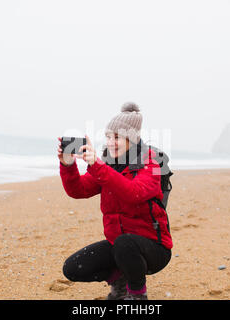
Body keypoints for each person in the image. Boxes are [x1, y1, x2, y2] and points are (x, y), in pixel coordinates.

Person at [57, 102, 172, 300]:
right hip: (120, 246)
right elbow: (78, 190)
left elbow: (134, 193)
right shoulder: (109, 164)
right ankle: (119, 280)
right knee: (73, 268)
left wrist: (98, 165)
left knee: (124, 243)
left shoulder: (152, 162)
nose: (110, 142)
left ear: (132, 139)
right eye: (108, 136)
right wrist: (67, 165)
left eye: (117, 137)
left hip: (154, 249)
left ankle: (137, 294)